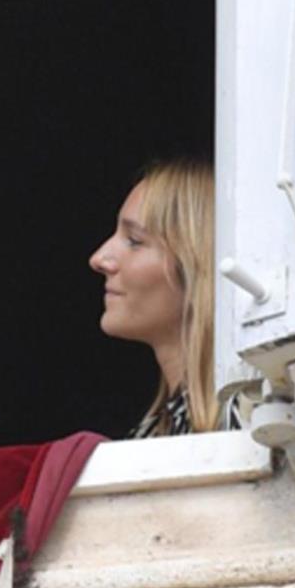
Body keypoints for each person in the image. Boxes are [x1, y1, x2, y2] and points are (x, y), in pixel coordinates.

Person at [89, 158, 239, 437]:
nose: (99, 259)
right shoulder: (153, 432)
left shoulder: (251, 424)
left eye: (134, 241)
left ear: (198, 266)